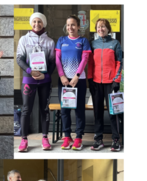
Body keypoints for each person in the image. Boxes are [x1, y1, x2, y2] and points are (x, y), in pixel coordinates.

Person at [16, 12, 56, 152]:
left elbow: (52, 62)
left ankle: (45, 138)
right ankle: (24, 140)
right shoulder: (24, 39)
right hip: (29, 80)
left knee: (44, 109)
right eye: (34, 22)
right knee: (26, 109)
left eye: (39, 22)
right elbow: (19, 59)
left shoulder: (50, 41)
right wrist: (29, 71)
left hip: (44, 81)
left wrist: (46, 76)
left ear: (43, 23)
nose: (37, 24)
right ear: (31, 23)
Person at [87, 18, 124, 152]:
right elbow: (90, 63)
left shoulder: (115, 43)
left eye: (103, 27)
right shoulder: (93, 44)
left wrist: (116, 80)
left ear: (108, 29)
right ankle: (98, 139)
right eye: (98, 27)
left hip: (111, 83)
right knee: (97, 113)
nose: (100, 29)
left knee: (113, 112)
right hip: (96, 83)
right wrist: (90, 80)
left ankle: (116, 140)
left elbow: (119, 63)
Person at [55, 16, 91, 150]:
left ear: (79, 26)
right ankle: (67, 137)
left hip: (79, 80)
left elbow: (84, 59)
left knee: (79, 109)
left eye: (73, 25)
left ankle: (79, 137)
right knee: (64, 110)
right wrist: (62, 76)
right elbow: (57, 59)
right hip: (63, 80)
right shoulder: (61, 40)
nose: (70, 28)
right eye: (68, 25)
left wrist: (76, 76)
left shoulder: (83, 41)